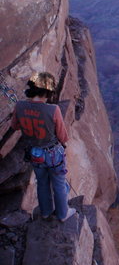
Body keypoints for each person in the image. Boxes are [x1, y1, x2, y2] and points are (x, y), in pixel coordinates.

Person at [11, 71, 76, 222]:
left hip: (35, 153)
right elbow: (62, 136)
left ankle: (46, 212)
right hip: (53, 154)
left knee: (42, 183)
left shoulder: (19, 106)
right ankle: (62, 214)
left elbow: (15, 126)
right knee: (59, 184)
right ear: (47, 91)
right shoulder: (53, 110)